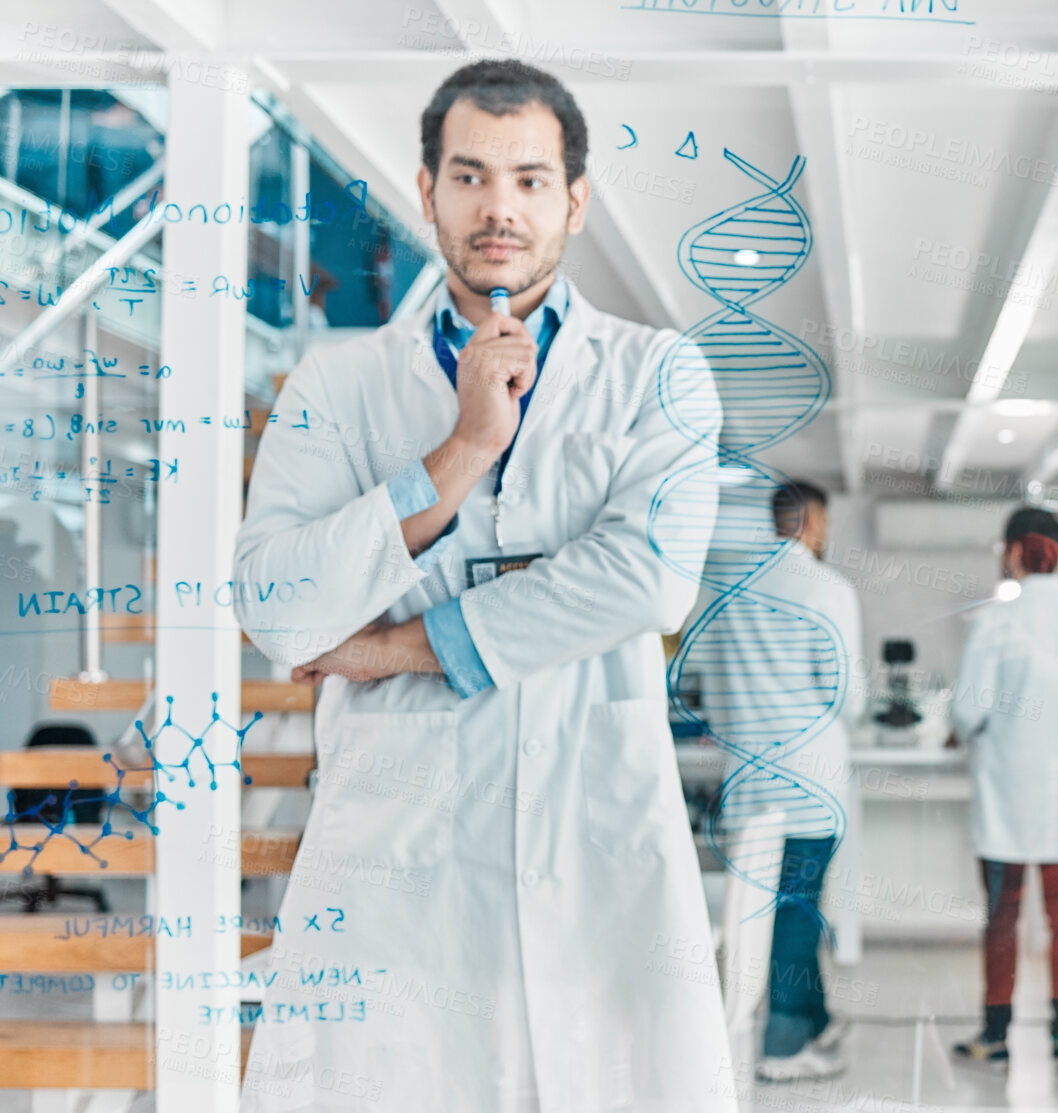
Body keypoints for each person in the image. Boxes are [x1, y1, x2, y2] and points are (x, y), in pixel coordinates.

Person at [233, 60, 730, 1112]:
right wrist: (458, 453)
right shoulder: (340, 386)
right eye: (468, 176)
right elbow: (278, 608)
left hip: (596, 854)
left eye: (529, 179)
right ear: (427, 192)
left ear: (575, 200)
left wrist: (401, 645)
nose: (498, 207)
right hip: (393, 874)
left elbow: (643, 581)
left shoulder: (659, 376)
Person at [693, 480, 864, 1081]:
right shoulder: (829, 589)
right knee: (797, 914)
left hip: (748, 785)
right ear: (813, 523)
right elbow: (848, 696)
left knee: (776, 912)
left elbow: (710, 695)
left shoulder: (731, 593)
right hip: (809, 784)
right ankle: (783, 1048)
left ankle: (810, 1022)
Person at [950, 507, 1058, 1063]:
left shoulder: (999, 619)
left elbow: (969, 712)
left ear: (1017, 550)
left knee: (1002, 917)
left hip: (1007, 796)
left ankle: (996, 1033)